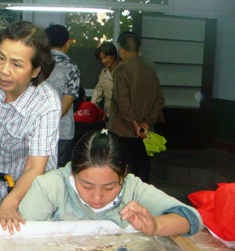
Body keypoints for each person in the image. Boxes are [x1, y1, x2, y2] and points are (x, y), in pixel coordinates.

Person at [19, 129, 203, 237]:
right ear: (73, 172)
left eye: (109, 187)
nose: (97, 197)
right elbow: (19, 239)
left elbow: (191, 218)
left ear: (124, 175)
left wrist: (156, 226)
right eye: (87, 186)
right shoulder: (49, 187)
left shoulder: (132, 188)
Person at [0, 21, 60, 234]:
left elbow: (35, 167)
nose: (4, 71)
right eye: (1, 58)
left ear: (36, 70)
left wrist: (11, 202)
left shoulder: (46, 104)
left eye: (17, 64)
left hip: (28, 191)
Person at [108, 31, 165, 184]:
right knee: (143, 173)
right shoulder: (150, 72)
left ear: (121, 50)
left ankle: (125, 205)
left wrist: (134, 121)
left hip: (123, 130)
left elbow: (122, 101)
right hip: (145, 133)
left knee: (124, 173)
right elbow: (159, 100)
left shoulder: (121, 70)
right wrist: (147, 122)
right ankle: (142, 203)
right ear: (138, 49)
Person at [44, 24, 80, 168]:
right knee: (58, 175)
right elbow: (66, 103)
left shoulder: (37, 65)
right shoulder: (71, 67)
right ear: (67, 43)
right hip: (62, 132)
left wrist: (42, 123)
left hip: (35, 130)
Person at [91, 41, 118, 116]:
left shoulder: (123, 70)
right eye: (101, 59)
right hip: (108, 113)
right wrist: (92, 107)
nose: (103, 61)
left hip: (122, 114)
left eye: (105, 57)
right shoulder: (104, 73)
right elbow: (98, 91)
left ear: (113, 55)